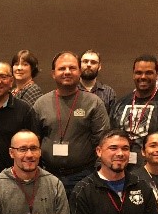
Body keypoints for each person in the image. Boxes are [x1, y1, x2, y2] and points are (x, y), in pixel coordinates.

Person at [33, 51, 109, 197]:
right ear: (53, 74)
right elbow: (35, 141)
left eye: (72, 68)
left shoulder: (94, 103)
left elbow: (102, 141)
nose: (67, 72)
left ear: (79, 72)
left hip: (83, 176)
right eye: (62, 68)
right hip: (47, 176)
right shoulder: (41, 104)